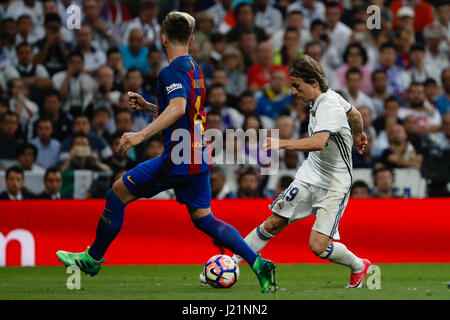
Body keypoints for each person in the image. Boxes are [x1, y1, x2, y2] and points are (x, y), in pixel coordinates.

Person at [56, 11, 276, 294]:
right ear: (192, 40)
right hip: (198, 154)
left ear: (162, 39)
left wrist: (141, 134)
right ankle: (258, 263)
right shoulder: (194, 68)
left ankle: (93, 258)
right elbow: (183, 111)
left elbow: (178, 108)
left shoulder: (170, 72)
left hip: (176, 158)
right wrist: (149, 107)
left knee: (117, 193)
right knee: (204, 218)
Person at [227, 55, 371, 289]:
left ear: (313, 82)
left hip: (334, 183)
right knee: (273, 223)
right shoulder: (325, 100)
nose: (293, 91)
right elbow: (355, 114)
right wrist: (357, 134)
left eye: (296, 85)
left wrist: (281, 143)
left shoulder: (329, 105)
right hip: (310, 174)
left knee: (318, 246)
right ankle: (232, 263)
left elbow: (317, 142)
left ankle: (358, 265)